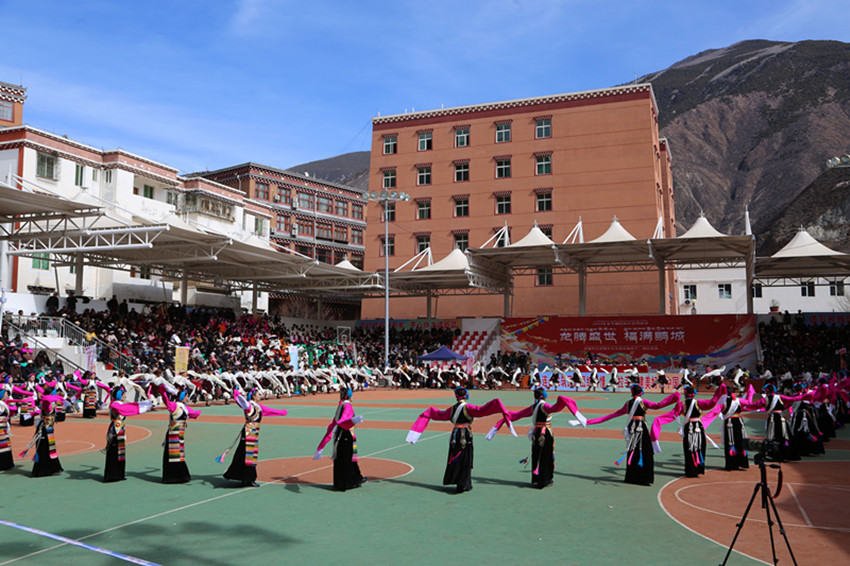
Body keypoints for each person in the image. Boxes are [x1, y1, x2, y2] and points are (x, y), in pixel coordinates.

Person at [405, 388, 514, 493]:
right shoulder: (468, 407)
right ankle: (464, 484)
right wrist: (495, 404)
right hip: (465, 434)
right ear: (465, 396)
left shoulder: (451, 409)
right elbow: (481, 411)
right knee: (465, 458)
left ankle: (457, 482)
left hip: (455, 435)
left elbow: (440, 414)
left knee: (456, 457)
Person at [579, 384, 679, 486]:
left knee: (633, 450)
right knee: (645, 450)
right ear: (641, 393)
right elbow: (658, 405)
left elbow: (613, 415)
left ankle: (632, 477)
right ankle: (644, 478)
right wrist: (674, 397)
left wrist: (589, 421)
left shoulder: (628, 404)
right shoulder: (643, 402)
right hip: (641, 427)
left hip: (632, 427)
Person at [487, 387, 587, 488]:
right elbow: (555, 408)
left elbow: (519, 414)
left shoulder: (534, 406)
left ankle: (537, 479)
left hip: (536, 432)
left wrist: (505, 418)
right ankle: (544, 480)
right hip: (545, 433)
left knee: (537, 454)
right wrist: (563, 401)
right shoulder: (544, 406)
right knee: (545, 456)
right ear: (543, 395)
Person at [652, 384, 726, 478]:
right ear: (694, 394)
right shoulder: (699, 403)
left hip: (689, 428)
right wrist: (718, 391)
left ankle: (691, 470)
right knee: (699, 447)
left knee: (689, 448)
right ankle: (699, 468)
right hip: (699, 427)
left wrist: (658, 420)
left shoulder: (681, 404)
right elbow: (712, 402)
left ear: (685, 394)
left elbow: (671, 415)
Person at [220, 387, 288, 487]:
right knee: (247, 454)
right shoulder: (248, 405)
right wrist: (235, 391)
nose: (260, 396)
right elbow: (239, 398)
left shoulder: (258, 407)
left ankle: (245, 477)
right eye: (259, 394)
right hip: (248, 431)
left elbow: (269, 411)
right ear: (253, 396)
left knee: (248, 454)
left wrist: (281, 412)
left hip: (253, 432)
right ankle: (248, 478)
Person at [314, 387, 365, 491]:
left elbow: (336, 421)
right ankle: (347, 483)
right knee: (346, 458)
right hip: (345, 434)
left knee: (343, 458)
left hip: (339, 434)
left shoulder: (340, 405)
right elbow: (343, 419)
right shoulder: (347, 405)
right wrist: (352, 421)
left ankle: (350, 480)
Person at [104, 383, 153, 482]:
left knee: (120, 452)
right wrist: (137, 407)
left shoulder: (119, 404)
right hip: (115, 430)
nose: (125, 396)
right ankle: (113, 475)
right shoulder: (116, 404)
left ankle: (119, 474)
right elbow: (123, 409)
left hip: (120, 430)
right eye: (123, 394)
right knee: (115, 451)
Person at [158, 382, 201, 484]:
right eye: (186, 396)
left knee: (179, 455)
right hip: (173, 434)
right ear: (182, 397)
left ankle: (179, 476)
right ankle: (172, 477)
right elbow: (166, 400)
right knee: (173, 456)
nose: (188, 398)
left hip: (179, 435)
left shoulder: (184, 407)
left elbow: (195, 414)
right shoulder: (174, 405)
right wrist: (163, 390)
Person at [24, 385, 67, 477]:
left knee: (49, 448)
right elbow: (46, 401)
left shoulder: (50, 404)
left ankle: (51, 468)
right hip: (44, 429)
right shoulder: (47, 404)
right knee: (44, 449)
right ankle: (43, 470)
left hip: (48, 430)